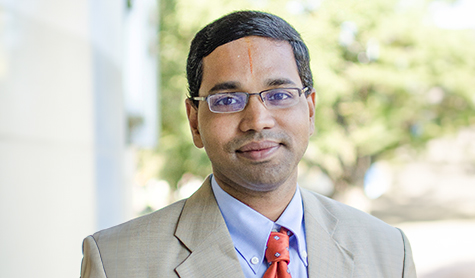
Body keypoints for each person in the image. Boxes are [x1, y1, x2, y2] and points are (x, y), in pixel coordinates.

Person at [80, 10, 416, 278]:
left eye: (280, 95)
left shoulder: (388, 251)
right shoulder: (116, 261)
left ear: (310, 110)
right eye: (227, 100)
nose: (258, 120)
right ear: (194, 121)